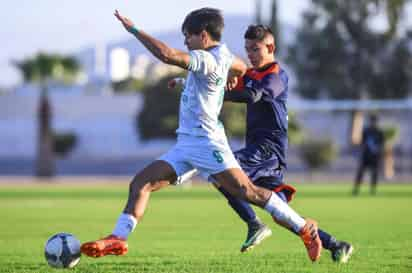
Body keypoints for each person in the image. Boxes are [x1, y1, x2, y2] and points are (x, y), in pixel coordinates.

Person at [81, 8, 322, 262]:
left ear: (204, 36)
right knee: (141, 183)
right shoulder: (226, 56)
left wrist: (133, 30)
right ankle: (118, 237)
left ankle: (304, 228)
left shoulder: (207, 59)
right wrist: (226, 79)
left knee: (248, 192)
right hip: (186, 144)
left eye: (188, 36)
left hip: (207, 143)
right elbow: (239, 67)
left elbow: (167, 55)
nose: (185, 42)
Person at [171, 25, 353, 263]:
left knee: (221, 175)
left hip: (267, 151)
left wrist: (221, 93)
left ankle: (253, 224)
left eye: (255, 49)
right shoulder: (248, 74)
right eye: (247, 49)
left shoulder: (277, 76)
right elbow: (215, 84)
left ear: (271, 47)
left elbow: (252, 95)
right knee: (282, 214)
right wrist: (188, 85)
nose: (251, 54)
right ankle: (335, 244)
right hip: (260, 152)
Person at [353, 114, 384, 195]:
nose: (373, 123)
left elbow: (381, 145)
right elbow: (362, 143)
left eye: (374, 121)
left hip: (375, 157)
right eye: (372, 121)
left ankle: (373, 190)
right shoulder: (366, 131)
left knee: (374, 174)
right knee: (360, 173)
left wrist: (377, 151)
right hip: (366, 156)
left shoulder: (379, 132)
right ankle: (356, 190)